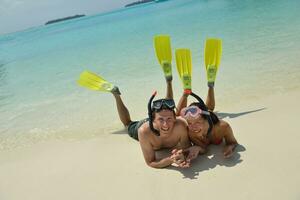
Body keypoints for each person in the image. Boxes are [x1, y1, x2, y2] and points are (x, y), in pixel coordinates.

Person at [78, 70, 191, 168]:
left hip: (160, 117)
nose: (166, 124)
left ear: (175, 118)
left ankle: (169, 81)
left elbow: (187, 150)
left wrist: (183, 155)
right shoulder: (144, 132)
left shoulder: (180, 126)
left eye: (169, 119)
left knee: (166, 109)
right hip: (142, 125)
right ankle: (116, 95)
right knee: (128, 124)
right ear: (153, 119)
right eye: (161, 120)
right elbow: (151, 162)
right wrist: (170, 160)